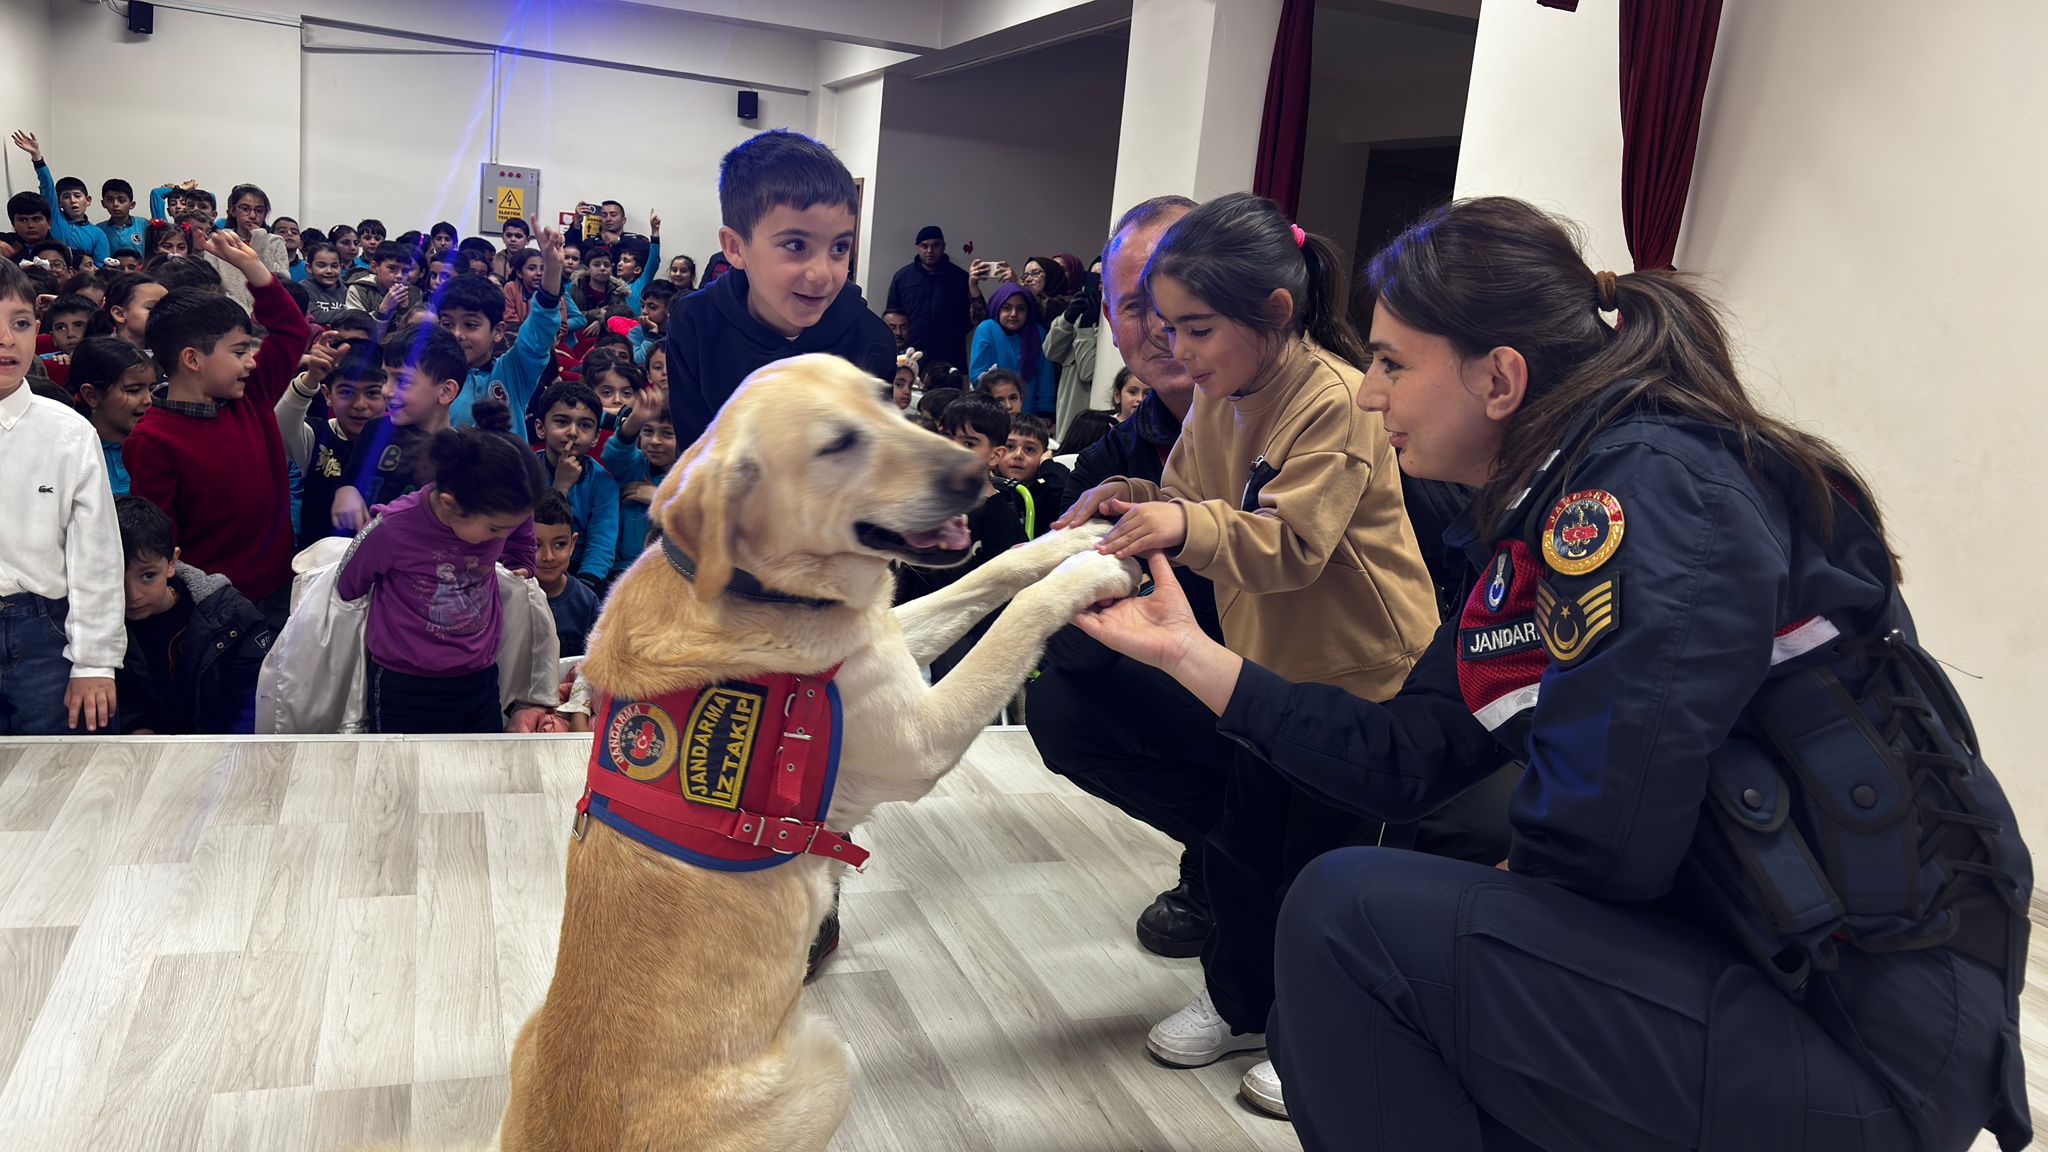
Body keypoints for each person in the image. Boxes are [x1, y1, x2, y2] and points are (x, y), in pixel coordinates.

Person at [1076, 194, 2035, 1150]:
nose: (1370, 394)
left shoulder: (1648, 492)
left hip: (1860, 1042)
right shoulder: (1553, 509)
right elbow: (1407, 756)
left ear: (1499, 379)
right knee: (1349, 970)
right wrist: (1187, 652)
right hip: (1768, 969)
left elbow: (1602, 843)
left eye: (1393, 364)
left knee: (1352, 923)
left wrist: (1497, 894)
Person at [1055, 193, 1447, 1115]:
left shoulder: (1337, 401)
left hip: (1362, 679)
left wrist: (1179, 524)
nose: (1176, 350)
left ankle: (1314, 1030)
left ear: (1273, 312)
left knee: (1330, 869)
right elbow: (1190, 496)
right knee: (1241, 848)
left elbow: (1290, 547)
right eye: (1163, 326)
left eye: (1196, 328)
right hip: (1263, 667)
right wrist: (1134, 496)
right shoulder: (1220, 397)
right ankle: (1238, 1002)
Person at [124, 231, 312, 628]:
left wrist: (252, 268)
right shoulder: (153, 439)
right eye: (240, 351)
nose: (251, 362)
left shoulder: (251, 396)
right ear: (193, 359)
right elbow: (161, 539)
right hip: (213, 607)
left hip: (279, 586)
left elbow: (293, 331)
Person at [665, 130, 895, 449]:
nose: (822, 274)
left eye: (839, 247)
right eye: (796, 245)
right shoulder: (694, 323)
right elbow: (695, 454)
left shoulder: (871, 341)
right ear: (735, 248)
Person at [338, 423, 549, 734]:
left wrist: (522, 560)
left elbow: (521, 521)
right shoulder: (394, 527)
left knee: (482, 761)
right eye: (495, 530)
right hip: (404, 683)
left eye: (508, 528)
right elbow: (349, 582)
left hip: (479, 675)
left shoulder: (500, 512)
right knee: (404, 763)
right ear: (450, 504)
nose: (502, 536)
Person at [0, 258, 123, 734]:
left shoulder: (68, 431)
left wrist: (94, 661)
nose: (7, 339)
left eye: (20, 323)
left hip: (44, 632)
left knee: (59, 763)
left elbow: (95, 551)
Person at [113, 495, 273, 734]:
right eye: (116, 577)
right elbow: (120, 698)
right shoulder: (97, 627)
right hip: (144, 749)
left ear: (172, 562)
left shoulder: (231, 617)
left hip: (223, 744)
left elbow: (256, 696)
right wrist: (135, 727)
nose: (133, 595)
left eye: (148, 576)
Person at [431, 233, 566, 429]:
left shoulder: (512, 371)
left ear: (498, 331)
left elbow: (539, 329)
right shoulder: (429, 375)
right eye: (447, 324)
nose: (457, 334)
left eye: (470, 325)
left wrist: (552, 269)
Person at [280, 339, 387, 550]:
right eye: (346, 392)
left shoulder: (400, 442)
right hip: (315, 563)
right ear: (327, 395)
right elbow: (281, 427)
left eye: (373, 392)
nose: (360, 405)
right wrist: (310, 379)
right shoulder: (315, 436)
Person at [534, 381, 619, 590]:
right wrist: (561, 487)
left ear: (596, 437)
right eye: (562, 422)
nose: (573, 432)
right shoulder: (524, 472)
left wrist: (581, 590)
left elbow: (601, 544)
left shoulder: (603, 482)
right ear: (540, 428)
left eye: (585, 425)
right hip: (530, 562)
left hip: (581, 573)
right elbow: (524, 531)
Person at [600, 385, 677, 583]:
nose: (655, 441)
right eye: (648, 431)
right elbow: (614, 454)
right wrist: (635, 420)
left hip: (671, 573)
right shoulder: (636, 467)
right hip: (624, 570)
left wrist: (658, 498)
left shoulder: (689, 475)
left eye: (667, 434)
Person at [9, 132, 112, 267]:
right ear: (58, 202)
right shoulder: (56, 220)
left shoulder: (98, 234)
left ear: (88, 200)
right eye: (66, 197)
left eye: (77, 196)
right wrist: (37, 157)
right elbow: (48, 187)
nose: (73, 201)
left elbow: (100, 267)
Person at [69, 337, 155, 496]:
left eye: (151, 389)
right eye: (134, 390)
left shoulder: (158, 449)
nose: (148, 400)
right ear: (91, 396)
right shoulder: (72, 456)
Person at [885, 225, 972, 368]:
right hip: (911, 354)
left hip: (950, 355)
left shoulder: (960, 278)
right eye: (924, 246)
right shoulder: (903, 278)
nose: (929, 251)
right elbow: (892, 316)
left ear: (943, 247)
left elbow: (970, 319)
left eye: (935, 245)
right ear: (918, 248)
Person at [969, 283, 1055, 416]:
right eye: (1007, 308)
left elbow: (1045, 375)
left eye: (1021, 309)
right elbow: (977, 376)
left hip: (1029, 414)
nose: (1014, 314)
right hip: (993, 412)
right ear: (997, 308)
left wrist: (1046, 410)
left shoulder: (1036, 332)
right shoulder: (987, 329)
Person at [531, 490, 598, 658]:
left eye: (560, 544)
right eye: (536, 545)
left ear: (572, 544)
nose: (548, 556)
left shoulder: (586, 602)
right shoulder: (511, 597)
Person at [1044, 277, 1100, 439]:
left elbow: (1087, 372)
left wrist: (1086, 329)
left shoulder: (1114, 328)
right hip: (1070, 412)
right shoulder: (1078, 319)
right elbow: (1050, 352)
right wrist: (1068, 318)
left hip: (1095, 414)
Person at [996, 412, 1066, 538]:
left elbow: (1067, 494)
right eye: (1010, 446)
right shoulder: (990, 493)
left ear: (1042, 455)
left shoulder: (1046, 494)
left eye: (1029, 449)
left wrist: (1047, 464)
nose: (1018, 455)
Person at [96, 178, 146, 257]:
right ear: (103, 203)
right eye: (110, 200)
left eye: (121, 200)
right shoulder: (99, 230)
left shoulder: (143, 225)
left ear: (132, 204)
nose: (115, 204)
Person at [302, 242, 350, 322]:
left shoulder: (349, 291)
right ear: (309, 268)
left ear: (341, 268)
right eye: (321, 266)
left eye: (334, 266)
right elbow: (313, 317)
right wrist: (349, 312)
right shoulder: (303, 290)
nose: (329, 271)